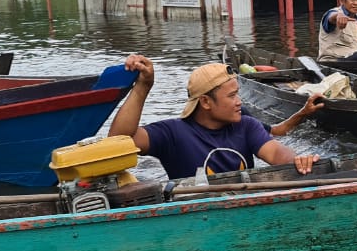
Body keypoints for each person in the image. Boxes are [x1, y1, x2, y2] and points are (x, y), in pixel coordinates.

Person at [108, 56, 319, 181]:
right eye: (231, 96)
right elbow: (117, 143)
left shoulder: (246, 126)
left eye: (237, 94)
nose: (239, 102)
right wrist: (143, 87)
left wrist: (298, 160)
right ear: (206, 102)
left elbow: (276, 153)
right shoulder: (172, 133)